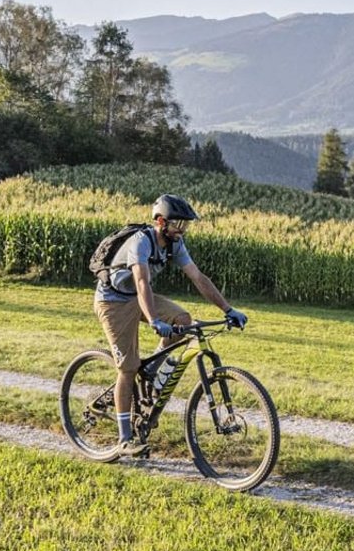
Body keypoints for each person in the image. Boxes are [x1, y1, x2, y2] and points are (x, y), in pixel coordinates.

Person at [93, 193, 246, 456]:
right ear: (161, 222)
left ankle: (151, 368)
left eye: (185, 224)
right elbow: (142, 282)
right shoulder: (141, 242)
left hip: (141, 297)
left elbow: (198, 278)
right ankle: (124, 439)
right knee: (128, 369)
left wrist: (228, 309)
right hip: (114, 301)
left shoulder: (175, 244)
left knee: (183, 320)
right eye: (178, 224)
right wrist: (153, 320)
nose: (183, 229)